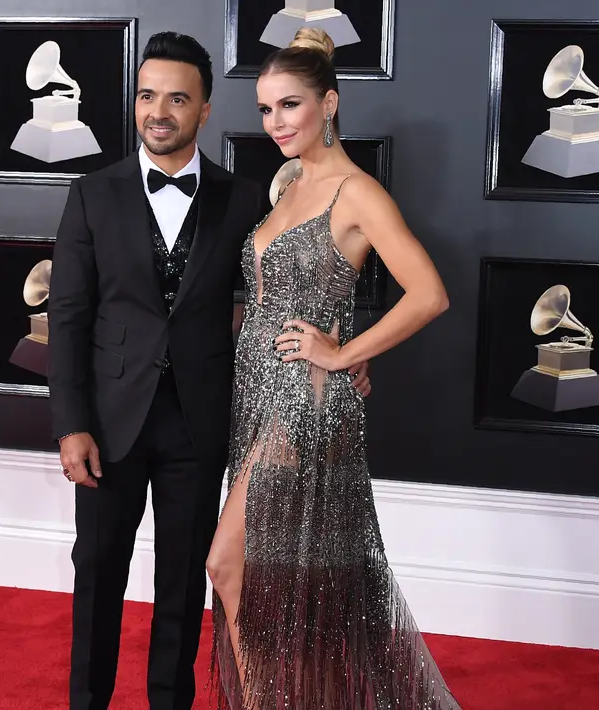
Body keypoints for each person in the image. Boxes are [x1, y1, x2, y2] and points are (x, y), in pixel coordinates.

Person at [49, 31, 372, 710]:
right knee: (96, 576)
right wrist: (71, 425)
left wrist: (344, 348)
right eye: (146, 96)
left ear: (202, 109)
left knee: (182, 585)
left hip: (202, 424)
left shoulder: (243, 197)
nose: (156, 111)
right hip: (109, 424)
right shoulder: (91, 195)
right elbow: (70, 319)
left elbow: (282, 287)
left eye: (175, 98)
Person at [203, 27, 462, 709]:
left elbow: (429, 293)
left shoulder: (355, 192)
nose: (275, 122)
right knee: (275, 578)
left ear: (330, 103)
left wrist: (345, 352)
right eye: (264, 109)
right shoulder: (286, 182)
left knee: (229, 565)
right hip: (252, 392)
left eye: (289, 105)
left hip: (301, 399)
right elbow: (284, 293)